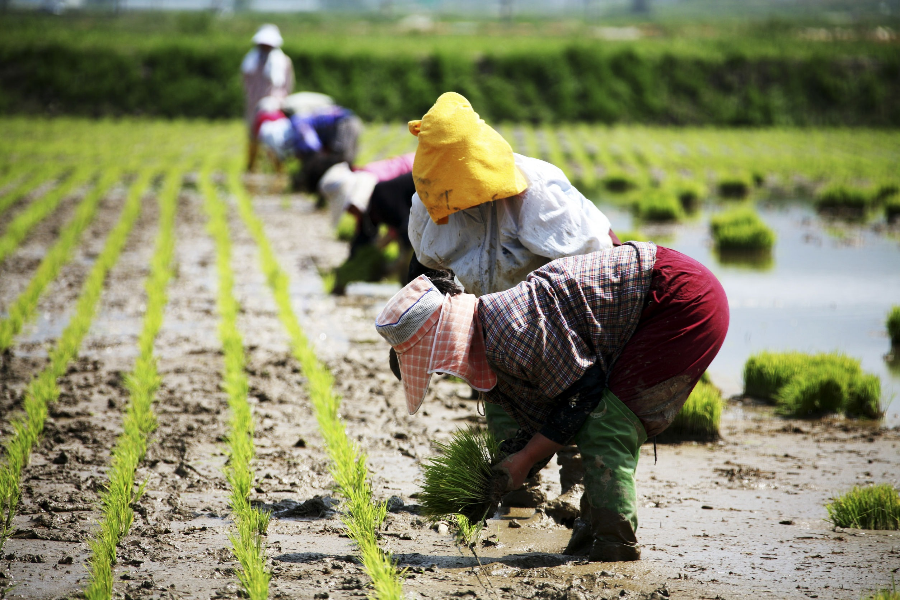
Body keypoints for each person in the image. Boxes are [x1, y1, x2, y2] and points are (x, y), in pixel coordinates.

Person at [374, 243, 729, 562]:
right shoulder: (492, 336)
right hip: (665, 293)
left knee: (608, 421)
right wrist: (499, 474)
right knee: (597, 416)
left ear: (443, 341)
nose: (439, 374)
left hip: (677, 297)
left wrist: (525, 459)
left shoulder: (508, 330)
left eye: (434, 365)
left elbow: (583, 394)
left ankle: (616, 544)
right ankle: (592, 531)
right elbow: (549, 414)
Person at [405, 91, 621, 504]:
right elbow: (423, 267)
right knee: (500, 396)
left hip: (564, 313)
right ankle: (521, 490)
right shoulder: (428, 205)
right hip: (494, 322)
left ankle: (580, 488)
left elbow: (595, 263)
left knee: (575, 393)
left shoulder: (539, 194)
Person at [242, 24, 294, 172]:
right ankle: (251, 167)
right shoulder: (250, 62)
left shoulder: (283, 61)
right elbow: (246, 83)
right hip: (254, 106)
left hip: (274, 107)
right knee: (253, 137)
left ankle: (278, 170)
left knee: (274, 138)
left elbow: (288, 85)